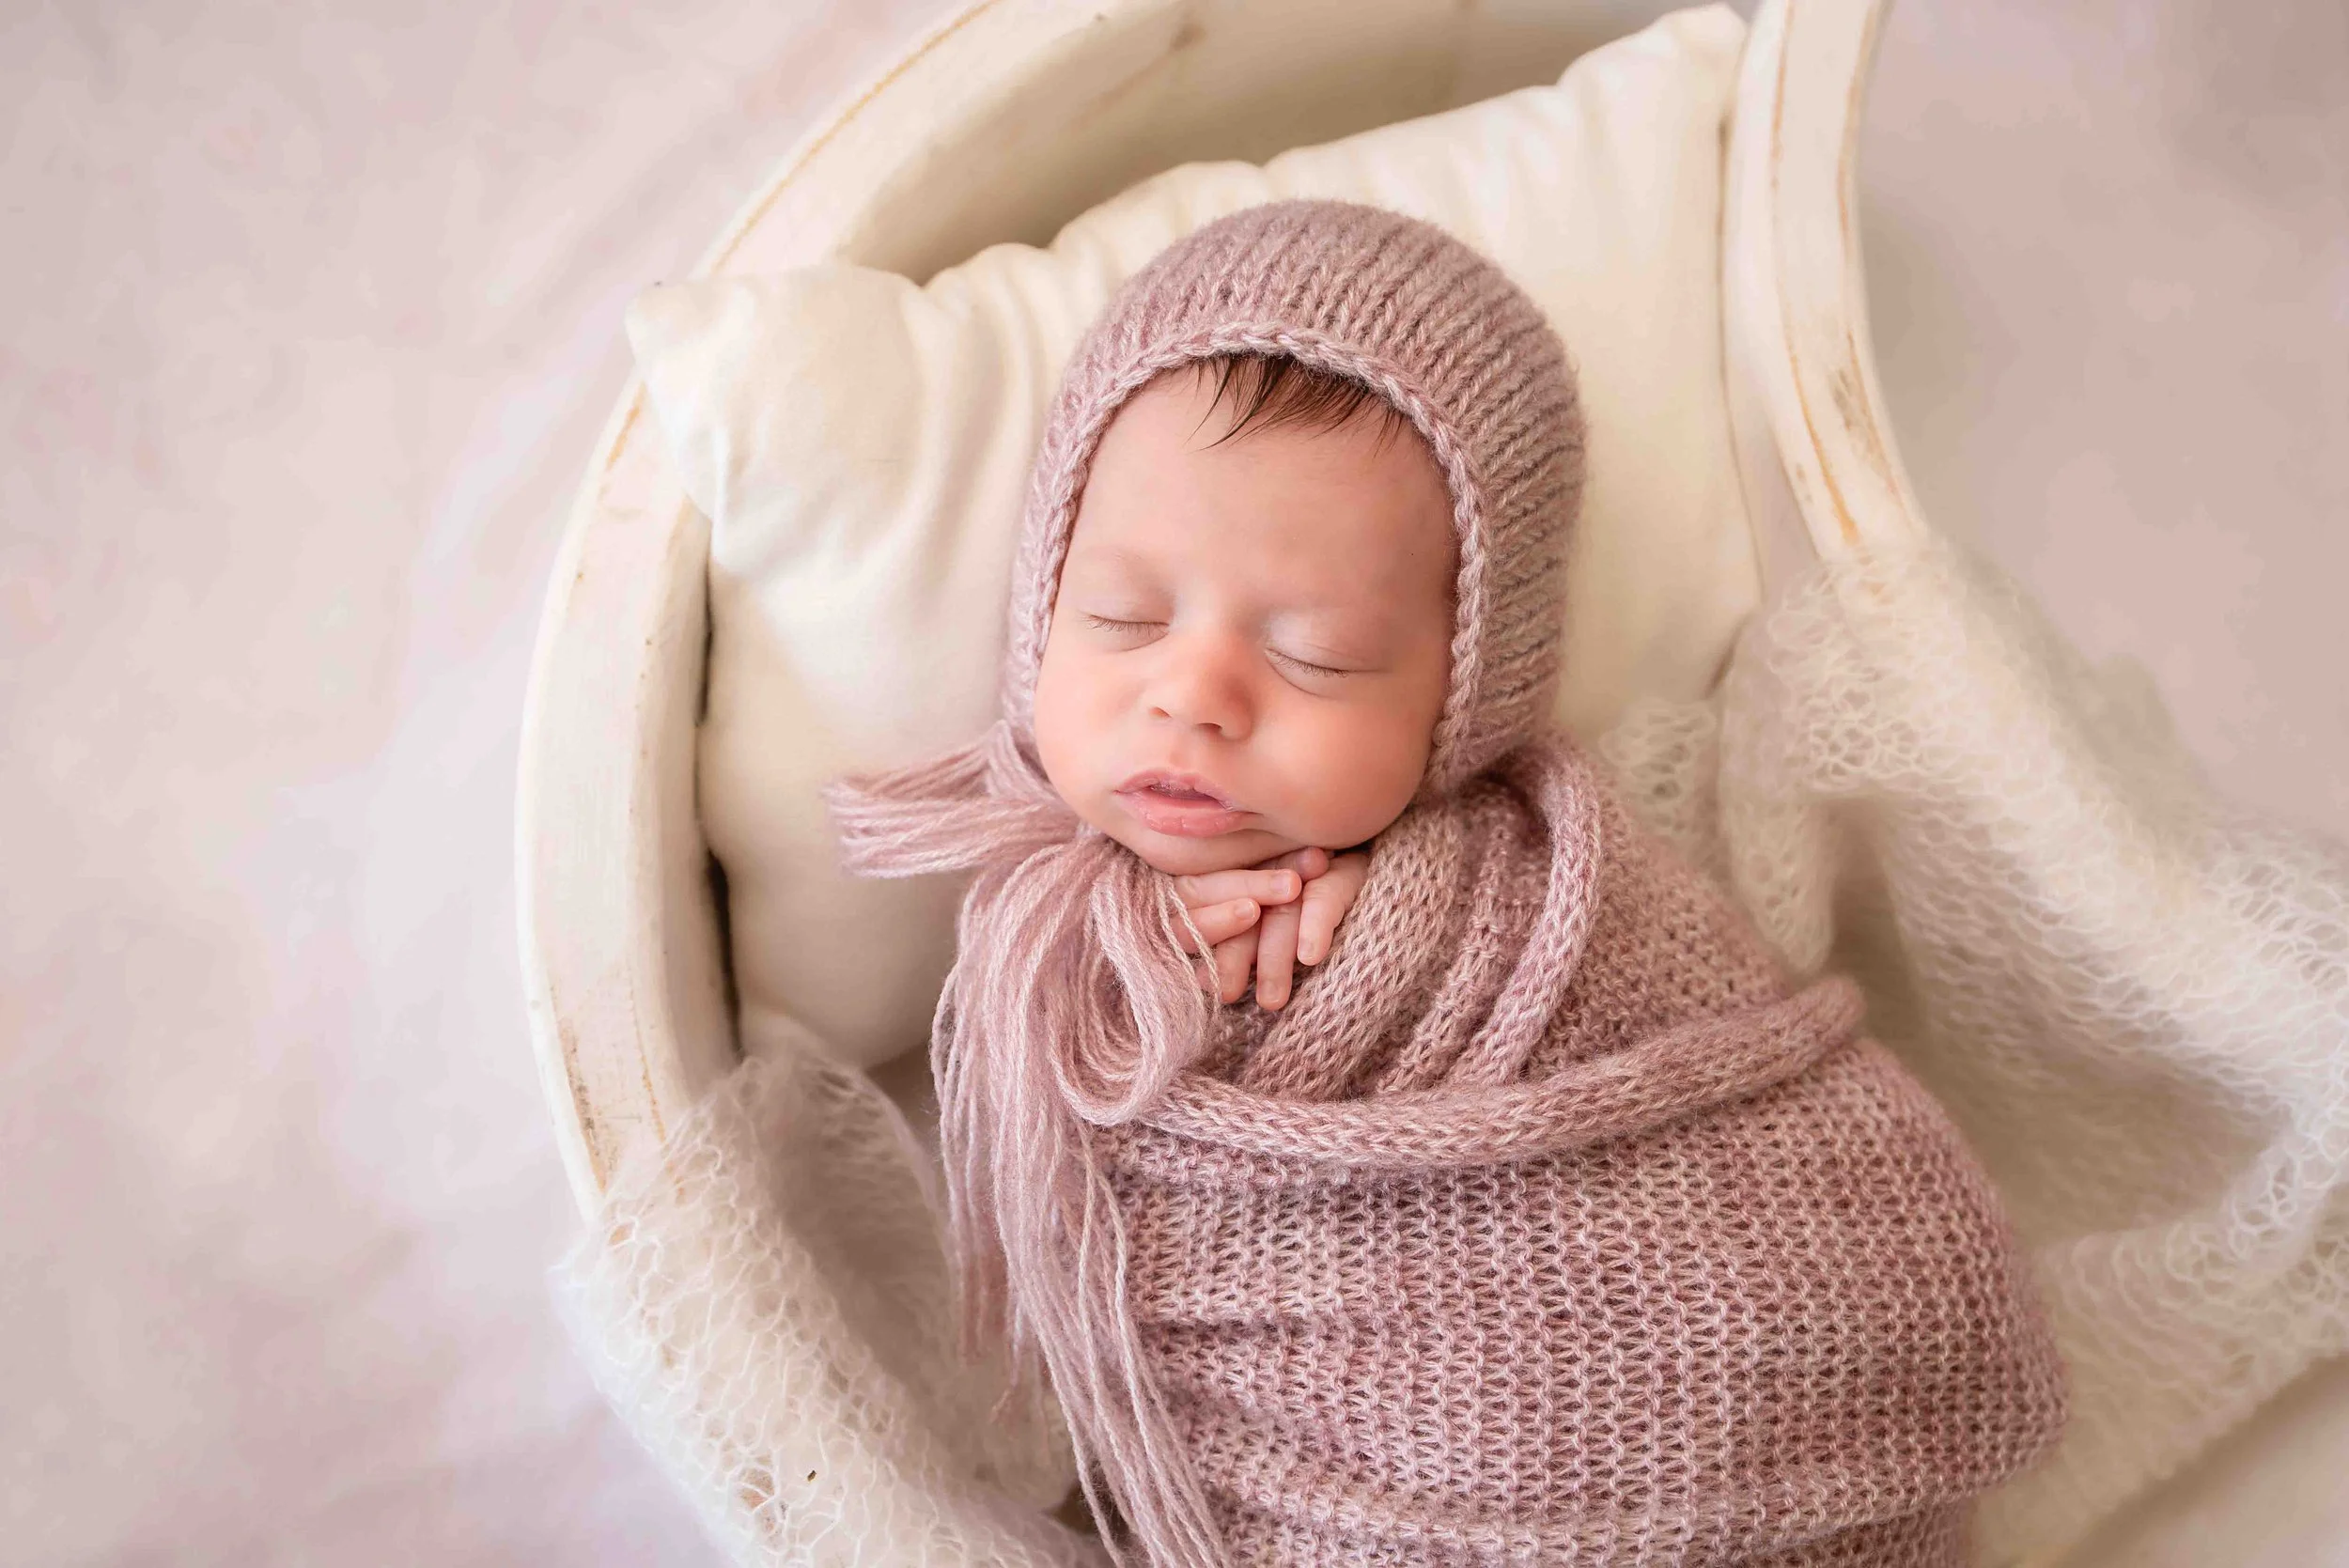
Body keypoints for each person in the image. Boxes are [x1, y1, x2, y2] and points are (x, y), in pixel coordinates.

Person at [832, 199, 2065, 1566]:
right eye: (1123, 618)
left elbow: (1746, 1143)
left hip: (1719, 1415)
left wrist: (1391, 939)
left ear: (1466, 694)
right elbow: (1067, 1200)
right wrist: (1126, 977)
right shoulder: (1032, 932)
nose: (1192, 697)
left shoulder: (1544, 890)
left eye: (1314, 656)